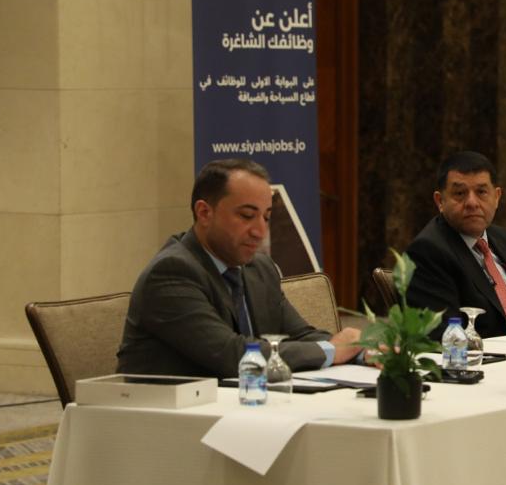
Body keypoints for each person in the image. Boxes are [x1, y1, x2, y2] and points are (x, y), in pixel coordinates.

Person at [117, 159, 361, 378]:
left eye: (266, 217)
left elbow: (299, 336)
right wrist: (332, 350)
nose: (260, 232)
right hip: (169, 410)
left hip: (242, 403)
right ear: (204, 213)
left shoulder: (259, 268)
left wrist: (360, 351)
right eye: (246, 216)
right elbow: (232, 356)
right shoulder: (171, 273)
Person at [405, 151, 506, 339]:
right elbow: (445, 338)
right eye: (460, 193)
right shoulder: (428, 251)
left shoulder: (504, 239)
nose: (472, 203)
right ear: (440, 201)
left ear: (497, 197)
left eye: (481, 192)